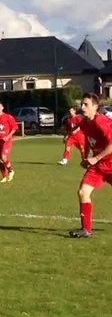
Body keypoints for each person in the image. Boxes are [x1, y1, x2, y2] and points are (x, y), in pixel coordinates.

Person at [69, 93, 112, 238]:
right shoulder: (84, 123)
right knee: (82, 192)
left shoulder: (101, 122)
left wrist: (97, 157)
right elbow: (87, 139)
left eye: (86, 104)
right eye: (82, 104)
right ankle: (86, 229)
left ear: (95, 107)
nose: (82, 107)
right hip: (98, 165)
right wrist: (86, 157)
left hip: (110, 162)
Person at [0, 102, 18, 182]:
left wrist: (8, 136)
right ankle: (4, 177)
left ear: (2, 108)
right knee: (0, 159)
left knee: (3, 157)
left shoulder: (8, 117)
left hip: (6, 141)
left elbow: (14, 128)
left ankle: (11, 171)